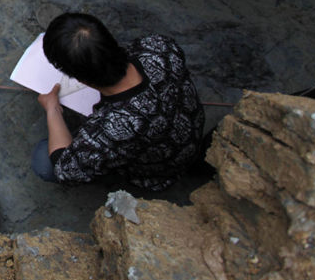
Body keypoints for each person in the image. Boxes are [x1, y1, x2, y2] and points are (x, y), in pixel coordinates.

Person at [31, 12, 204, 191]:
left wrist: (52, 108)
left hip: (160, 170)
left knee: (43, 160)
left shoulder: (112, 128)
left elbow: (66, 170)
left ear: (80, 79)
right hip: (191, 135)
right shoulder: (159, 47)